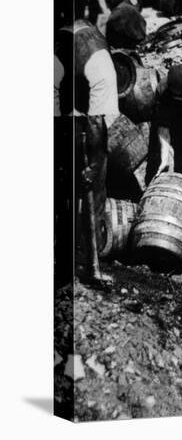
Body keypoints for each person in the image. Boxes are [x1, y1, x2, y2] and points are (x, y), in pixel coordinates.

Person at [54, 20, 119, 284]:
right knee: (93, 179)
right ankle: (86, 262)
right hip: (70, 107)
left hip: (69, 99)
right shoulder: (102, 66)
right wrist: (93, 165)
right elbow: (95, 122)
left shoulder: (65, 45)